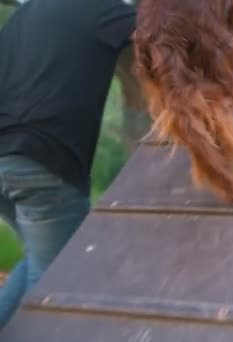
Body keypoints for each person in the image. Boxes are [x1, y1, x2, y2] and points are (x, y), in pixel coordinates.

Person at [0, 0, 136, 329]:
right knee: (62, 279)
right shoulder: (107, 11)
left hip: (7, 158)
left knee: (46, 257)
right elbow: (166, 42)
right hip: (41, 164)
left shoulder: (29, 12)